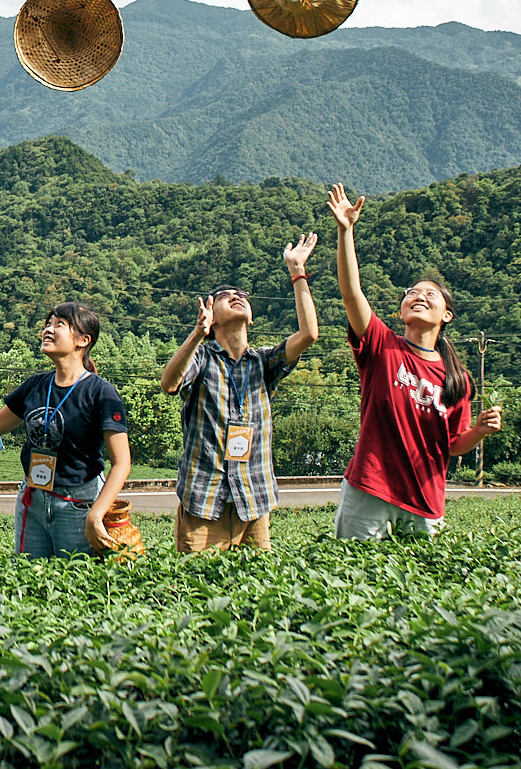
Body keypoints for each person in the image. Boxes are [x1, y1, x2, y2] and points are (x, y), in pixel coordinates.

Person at [326, 183, 502, 538]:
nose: (419, 296)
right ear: (402, 308)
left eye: (430, 294)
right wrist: (346, 232)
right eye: (412, 293)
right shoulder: (381, 345)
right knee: (354, 580)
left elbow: (453, 443)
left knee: (419, 586)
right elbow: (351, 292)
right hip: (370, 488)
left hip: (425, 498)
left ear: (447, 315)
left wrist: (480, 431)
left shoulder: (458, 378)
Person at [0, 302, 132, 559]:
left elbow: (122, 462)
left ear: (83, 340)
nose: (49, 329)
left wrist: (96, 513)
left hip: (78, 503)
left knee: (74, 582)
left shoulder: (100, 393)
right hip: (33, 498)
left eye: (60, 325)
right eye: (48, 323)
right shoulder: (36, 385)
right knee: (31, 575)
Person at [158, 235, 320, 554]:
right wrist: (197, 334)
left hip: (253, 499)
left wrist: (297, 271)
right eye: (225, 296)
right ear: (211, 315)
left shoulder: (264, 362)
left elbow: (309, 334)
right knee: (199, 593)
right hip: (204, 501)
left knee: (256, 595)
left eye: (242, 295)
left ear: (252, 316)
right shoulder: (202, 358)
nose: (236, 296)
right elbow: (170, 383)